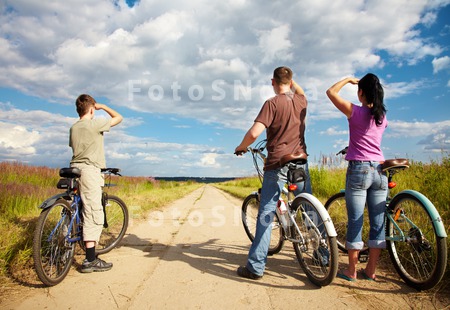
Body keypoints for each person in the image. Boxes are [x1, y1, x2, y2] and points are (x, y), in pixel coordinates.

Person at [235, 66, 311, 280]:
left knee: (266, 212)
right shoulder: (301, 101)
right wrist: (293, 82)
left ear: (272, 82)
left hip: (277, 162)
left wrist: (241, 146)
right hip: (301, 161)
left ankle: (255, 267)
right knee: (309, 206)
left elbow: (254, 133)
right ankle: (324, 255)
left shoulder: (272, 103)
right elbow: (301, 91)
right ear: (291, 81)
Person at [326, 73, 388, 281]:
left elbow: (331, 92)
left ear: (361, 92)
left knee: (356, 221)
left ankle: (351, 271)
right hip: (380, 171)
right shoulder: (382, 117)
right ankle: (370, 270)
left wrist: (348, 79)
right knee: (378, 222)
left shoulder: (355, 112)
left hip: (359, 170)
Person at [69, 94, 123, 273]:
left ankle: (67, 241)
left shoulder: (74, 127)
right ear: (91, 109)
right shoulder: (94, 123)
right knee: (93, 212)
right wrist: (104, 106)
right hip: (89, 171)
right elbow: (119, 118)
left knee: (78, 207)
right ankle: (90, 260)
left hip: (73, 168)